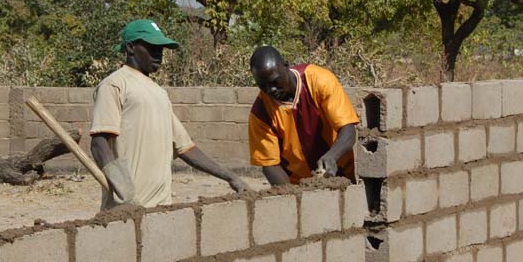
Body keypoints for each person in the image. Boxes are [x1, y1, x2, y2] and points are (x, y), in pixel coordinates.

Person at [90, 19, 250, 209]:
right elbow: (99, 143)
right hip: (126, 210)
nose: (159, 54)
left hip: (161, 207)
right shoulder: (115, 84)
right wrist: (124, 194)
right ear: (131, 47)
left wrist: (231, 177)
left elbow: (186, 148)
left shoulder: (159, 93)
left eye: (162, 49)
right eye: (152, 47)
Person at [247, 46, 359, 185]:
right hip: (298, 184)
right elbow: (270, 165)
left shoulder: (319, 80)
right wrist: (294, 198)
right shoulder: (261, 113)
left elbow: (348, 129)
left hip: (340, 173)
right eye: (263, 86)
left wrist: (332, 156)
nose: (271, 90)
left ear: (286, 66)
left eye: (275, 81)